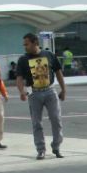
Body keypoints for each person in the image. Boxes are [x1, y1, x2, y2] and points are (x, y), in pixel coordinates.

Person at [16, 32, 66, 160]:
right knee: (36, 122)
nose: (25, 47)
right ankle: (41, 149)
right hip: (34, 93)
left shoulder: (49, 55)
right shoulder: (23, 59)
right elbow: (19, 78)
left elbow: (58, 72)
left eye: (26, 44)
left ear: (35, 43)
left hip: (50, 91)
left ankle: (56, 146)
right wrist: (21, 91)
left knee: (56, 119)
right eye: (24, 44)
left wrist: (63, 89)